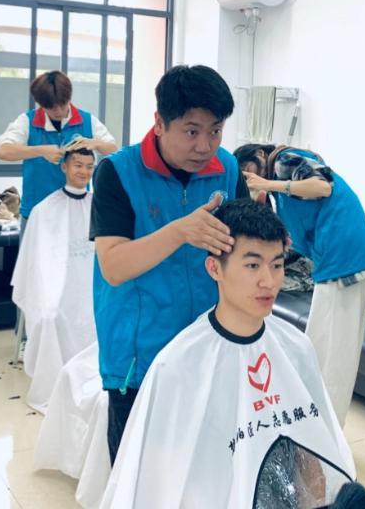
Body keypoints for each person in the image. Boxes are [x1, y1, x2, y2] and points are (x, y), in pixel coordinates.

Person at [100, 200, 356, 509]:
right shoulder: (178, 365)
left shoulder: (296, 348)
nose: (268, 281)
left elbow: (312, 447)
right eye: (252, 265)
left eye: (277, 265)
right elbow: (160, 479)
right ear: (214, 268)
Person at [90, 64, 249, 465]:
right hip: (139, 356)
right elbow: (113, 266)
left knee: (205, 466)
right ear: (159, 123)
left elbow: (243, 241)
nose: (205, 146)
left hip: (208, 346)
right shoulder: (118, 172)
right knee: (139, 473)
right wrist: (179, 231)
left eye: (216, 131)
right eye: (192, 131)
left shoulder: (227, 169)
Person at [244, 146, 365, 426]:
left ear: (260, 155)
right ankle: (312, 425)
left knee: (335, 358)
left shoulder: (285, 160)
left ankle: (328, 433)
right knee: (317, 349)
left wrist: (267, 184)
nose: (251, 179)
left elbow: (322, 186)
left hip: (345, 263)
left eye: (249, 172)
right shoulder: (280, 188)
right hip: (335, 263)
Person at [11, 145, 97, 411]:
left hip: (91, 285)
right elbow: (36, 263)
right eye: (78, 165)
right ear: (64, 167)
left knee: (96, 311)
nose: (83, 171)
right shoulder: (44, 210)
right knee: (50, 315)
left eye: (89, 166)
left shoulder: (100, 206)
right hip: (55, 285)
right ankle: (54, 382)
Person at [0, 70, 117, 221]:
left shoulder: (88, 121)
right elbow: (4, 151)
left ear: (69, 98)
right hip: (36, 213)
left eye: (62, 105)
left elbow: (112, 148)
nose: (58, 111)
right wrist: (40, 150)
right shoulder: (27, 121)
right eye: (52, 107)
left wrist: (95, 143)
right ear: (41, 104)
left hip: (76, 212)